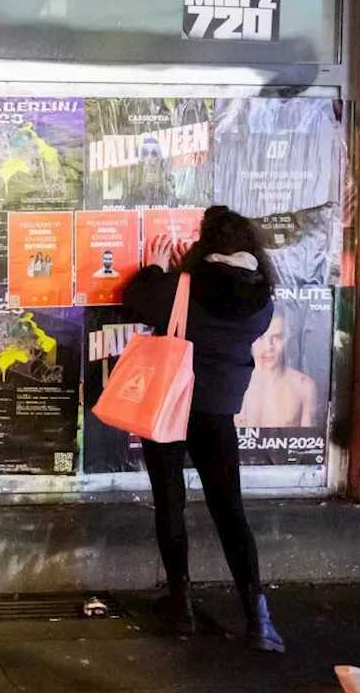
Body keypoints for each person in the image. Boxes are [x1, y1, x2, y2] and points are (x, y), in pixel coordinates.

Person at [121, 205, 284, 653]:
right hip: (218, 413)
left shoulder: (180, 287)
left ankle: (182, 605)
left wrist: (156, 266)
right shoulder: (261, 300)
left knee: (170, 500)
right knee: (230, 509)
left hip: (169, 404)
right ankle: (258, 618)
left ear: (205, 245)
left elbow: (134, 299)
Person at [236, 308, 320, 428]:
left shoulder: (304, 387)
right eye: (260, 337)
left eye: (277, 337)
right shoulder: (234, 383)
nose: (268, 347)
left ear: (287, 338)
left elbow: (309, 442)